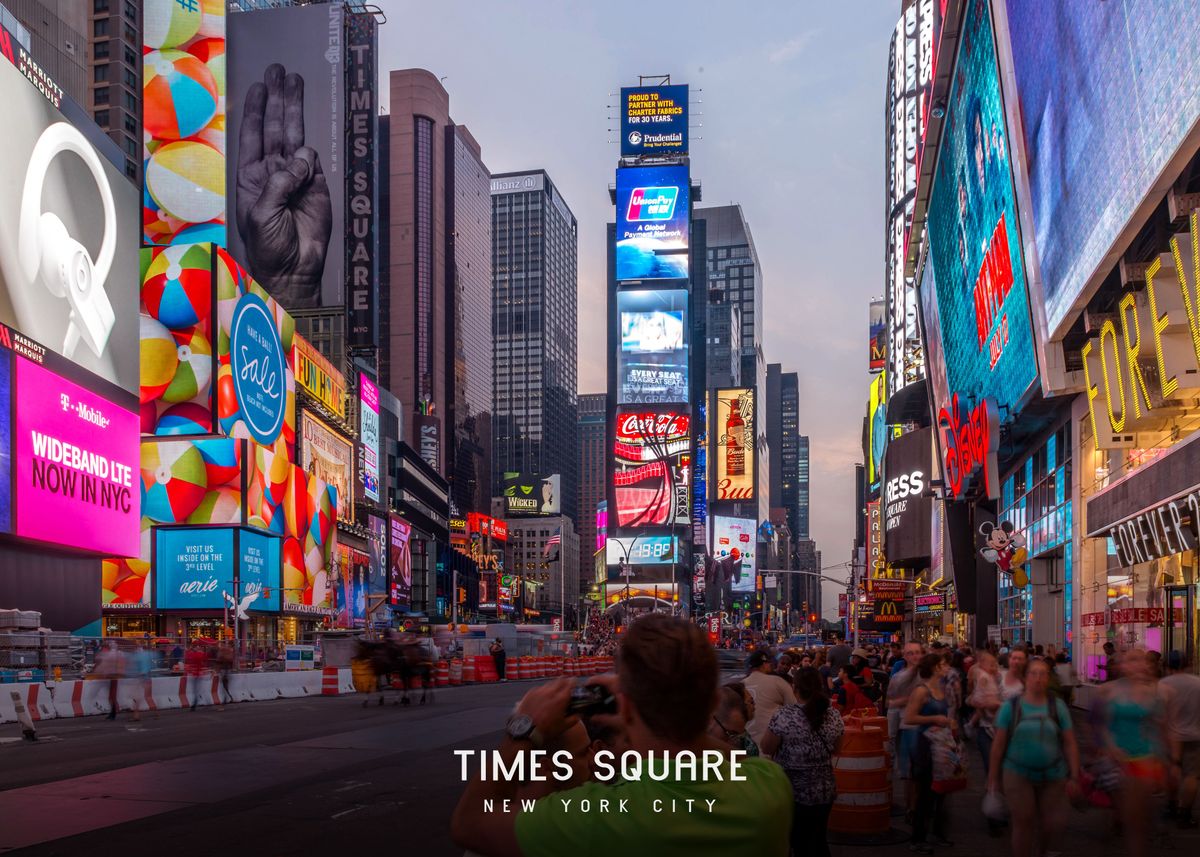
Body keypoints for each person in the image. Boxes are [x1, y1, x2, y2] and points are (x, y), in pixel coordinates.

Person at [449, 614, 793, 856]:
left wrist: (522, 729)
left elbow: (469, 824)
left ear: (625, 709)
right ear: (714, 701)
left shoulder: (600, 816)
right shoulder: (770, 787)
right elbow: (732, 757)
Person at [987, 657, 1080, 857]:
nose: (1038, 678)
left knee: (1049, 824)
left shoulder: (1058, 707)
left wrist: (1074, 774)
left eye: (1043, 674)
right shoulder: (1010, 707)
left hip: (1054, 774)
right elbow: (998, 745)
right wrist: (993, 778)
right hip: (1017, 772)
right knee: (1023, 822)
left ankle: (1043, 851)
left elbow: (1070, 742)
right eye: (1033, 673)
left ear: (1048, 678)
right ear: (1025, 677)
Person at [761, 667, 844, 857]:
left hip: (792, 791)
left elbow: (767, 747)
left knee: (797, 842)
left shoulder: (784, 715)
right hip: (824, 790)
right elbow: (838, 749)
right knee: (817, 839)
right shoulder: (833, 715)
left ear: (795, 689)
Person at [1095, 649, 1170, 857]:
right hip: (1117, 761)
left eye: (1141, 660)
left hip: (1144, 760)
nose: (1137, 665)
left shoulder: (1155, 692)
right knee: (1127, 816)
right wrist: (1110, 747)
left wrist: (1166, 762)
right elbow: (1101, 724)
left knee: (1137, 821)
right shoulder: (1107, 691)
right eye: (1131, 660)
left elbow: (1160, 728)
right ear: (1122, 665)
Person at [904, 653, 955, 852]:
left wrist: (949, 723)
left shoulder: (941, 688)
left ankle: (938, 833)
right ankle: (918, 838)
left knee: (942, 791)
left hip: (941, 745)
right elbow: (909, 717)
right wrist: (935, 719)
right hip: (925, 745)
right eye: (943, 664)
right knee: (926, 793)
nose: (946, 668)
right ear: (935, 667)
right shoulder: (921, 691)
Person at [1163, 651, 1200, 827]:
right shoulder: (1198, 683)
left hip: (1170, 737)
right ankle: (1185, 814)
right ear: (1187, 664)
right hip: (1195, 735)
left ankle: (1171, 807)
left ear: (1168, 666)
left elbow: (1159, 713)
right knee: (1192, 776)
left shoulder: (1163, 685)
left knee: (1172, 771)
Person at [888, 642, 925, 816]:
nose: (915, 656)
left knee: (922, 773)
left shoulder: (929, 676)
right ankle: (911, 807)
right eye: (911, 653)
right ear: (905, 656)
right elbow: (890, 703)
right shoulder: (899, 677)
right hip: (907, 727)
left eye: (918, 652)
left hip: (926, 728)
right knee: (909, 772)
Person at [743, 650, 795, 749]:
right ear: (764, 664)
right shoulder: (777, 681)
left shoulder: (740, 685)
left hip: (745, 747)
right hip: (769, 747)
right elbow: (794, 710)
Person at [968, 651, 1002, 777]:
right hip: (988, 716)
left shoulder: (992, 676)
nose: (994, 667)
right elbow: (978, 693)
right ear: (982, 665)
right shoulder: (984, 676)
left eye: (995, 665)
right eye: (991, 665)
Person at [94, 641, 125, 721]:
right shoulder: (118, 654)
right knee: (112, 696)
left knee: (112, 697)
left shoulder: (110, 654)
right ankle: (113, 712)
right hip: (113, 677)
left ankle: (113, 713)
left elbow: (104, 664)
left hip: (112, 676)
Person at [129, 643, 155, 722]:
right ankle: (155, 713)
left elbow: (143, 669)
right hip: (144, 679)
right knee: (146, 698)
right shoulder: (146, 656)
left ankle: (136, 716)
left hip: (142, 679)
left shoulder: (140, 657)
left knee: (139, 698)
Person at [185, 642, 207, 711]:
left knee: (196, 690)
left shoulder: (192, 655)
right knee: (198, 690)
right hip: (198, 674)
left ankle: (194, 703)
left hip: (195, 674)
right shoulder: (199, 654)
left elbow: (188, 658)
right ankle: (198, 702)